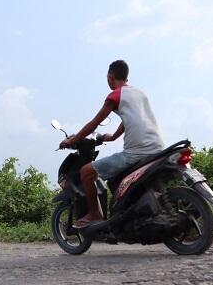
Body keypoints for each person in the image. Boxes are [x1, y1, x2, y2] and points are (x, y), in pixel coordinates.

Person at [59, 59, 165, 228]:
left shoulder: (115, 95)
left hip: (136, 152)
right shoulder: (139, 93)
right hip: (159, 148)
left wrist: (72, 140)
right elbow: (131, 118)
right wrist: (113, 136)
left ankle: (95, 214)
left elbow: (94, 123)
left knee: (86, 171)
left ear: (110, 77)